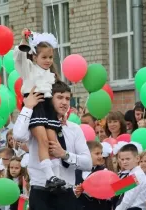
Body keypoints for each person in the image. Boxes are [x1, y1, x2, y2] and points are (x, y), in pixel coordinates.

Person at [13, 81, 92, 210]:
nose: (65, 102)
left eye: (67, 98)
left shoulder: (74, 129)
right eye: (59, 97)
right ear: (50, 100)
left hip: (66, 193)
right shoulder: (37, 125)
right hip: (41, 192)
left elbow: (88, 163)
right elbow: (18, 135)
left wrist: (65, 155)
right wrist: (27, 108)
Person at [14, 28, 65, 188]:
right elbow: (20, 57)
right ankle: (49, 176)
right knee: (42, 140)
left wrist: (59, 111)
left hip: (48, 106)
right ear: (35, 57)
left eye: (50, 57)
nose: (48, 60)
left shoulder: (51, 75)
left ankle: (56, 176)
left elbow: (56, 94)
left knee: (52, 141)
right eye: (44, 57)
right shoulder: (29, 69)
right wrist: (24, 41)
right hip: (35, 103)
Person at [75, 141, 111, 210]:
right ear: (86, 154)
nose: (100, 156)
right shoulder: (76, 170)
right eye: (97, 154)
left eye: (101, 153)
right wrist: (76, 191)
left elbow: (112, 191)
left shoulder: (104, 171)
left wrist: (133, 180)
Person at [115, 144, 146, 210]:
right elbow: (117, 191)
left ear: (137, 158)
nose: (124, 162)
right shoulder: (130, 173)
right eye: (122, 159)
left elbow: (127, 200)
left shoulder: (136, 175)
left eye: (128, 159)